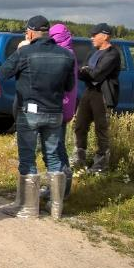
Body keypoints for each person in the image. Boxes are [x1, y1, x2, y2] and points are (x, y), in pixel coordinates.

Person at [0, 16, 75, 220]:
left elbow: (4, 72)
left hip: (30, 112)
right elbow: (69, 87)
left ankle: (29, 208)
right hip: (55, 113)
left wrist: (20, 49)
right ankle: (56, 209)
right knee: (54, 158)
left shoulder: (25, 52)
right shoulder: (66, 55)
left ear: (30, 32)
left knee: (27, 158)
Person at [73, 23, 121, 174]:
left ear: (105, 36)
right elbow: (81, 72)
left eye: (95, 35)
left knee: (101, 129)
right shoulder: (92, 52)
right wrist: (86, 71)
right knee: (80, 125)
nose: (91, 38)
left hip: (103, 94)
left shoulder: (113, 54)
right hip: (90, 91)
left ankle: (100, 165)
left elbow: (97, 74)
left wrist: (87, 71)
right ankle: (79, 158)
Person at [46, 23, 77, 200]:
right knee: (55, 148)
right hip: (63, 106)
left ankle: (62, 190)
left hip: (60, 106)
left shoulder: (65, 55)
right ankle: (55, 188)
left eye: (53, 36)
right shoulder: (67, 53)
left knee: (57, 149)